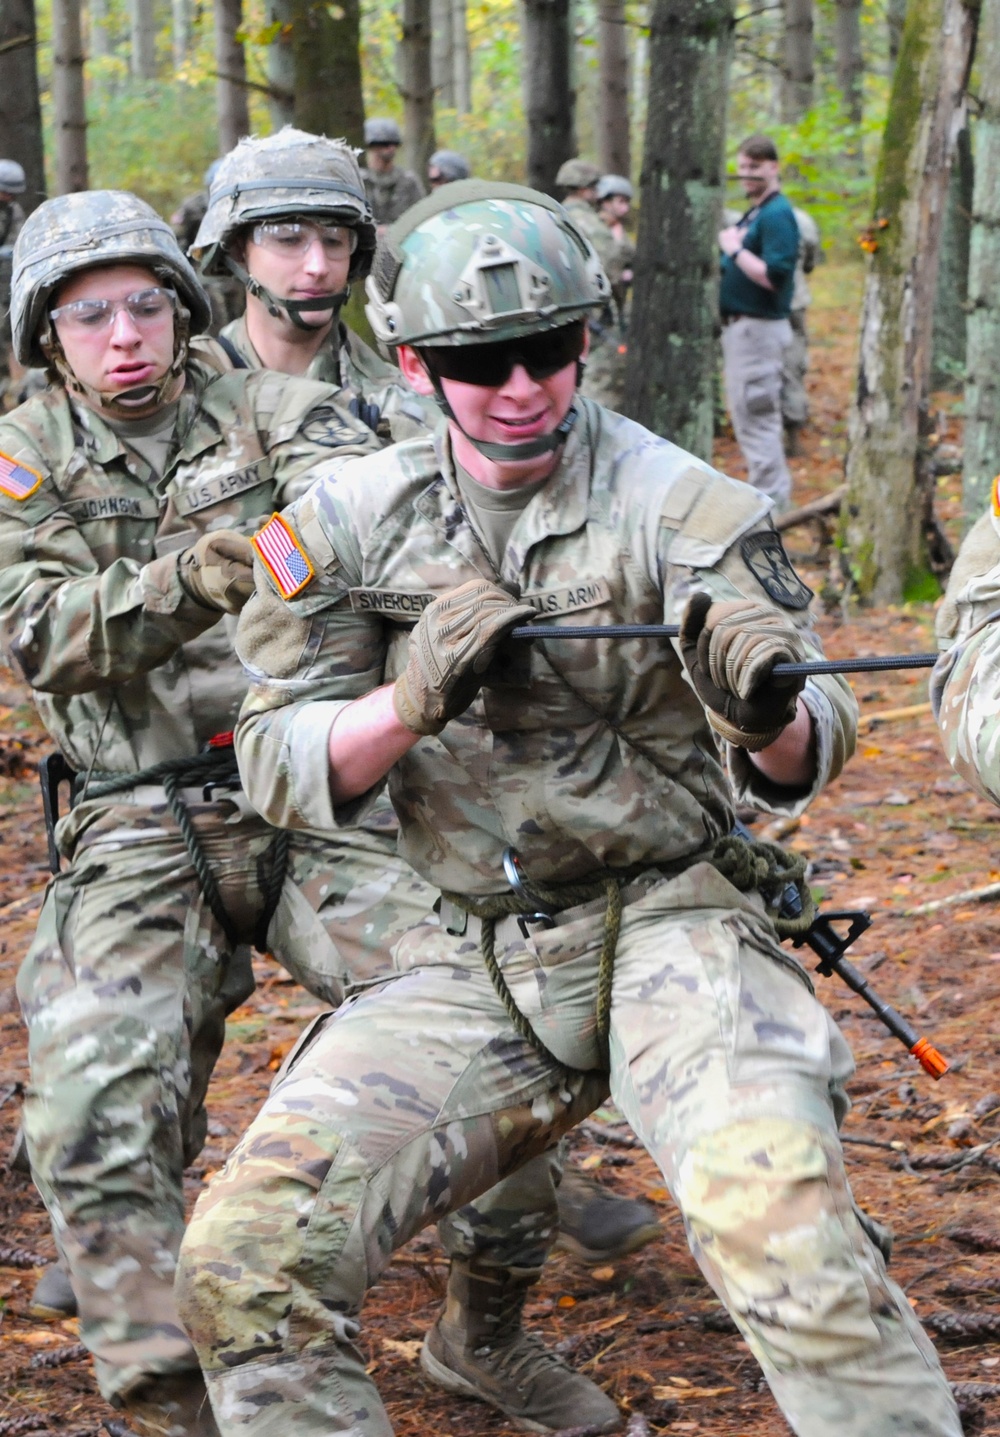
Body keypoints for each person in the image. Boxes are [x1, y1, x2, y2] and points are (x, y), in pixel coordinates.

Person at [175, 179, 961, 1437]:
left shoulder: (686, 506)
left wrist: (764, 713)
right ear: (420, 365)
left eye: (547, 351)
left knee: (791, 1250)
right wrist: (405, 703)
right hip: (468, 952)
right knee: (245, 1265)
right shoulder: (344, 521)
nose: (521, 386)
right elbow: (270, 754)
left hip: (675, 924)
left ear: (587, 343)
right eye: (482, 362)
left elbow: (817, 743)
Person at [187, 127, 663, 1432]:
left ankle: (483, 1323)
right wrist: (171, 583)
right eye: (287, 234)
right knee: (108, 1043)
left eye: (337, 233)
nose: (315, 258)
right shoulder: (142, 388)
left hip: (358, 803)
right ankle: (126, 1275)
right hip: (163, 799)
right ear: (232, 251)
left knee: (488, 976)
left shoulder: (418, 394)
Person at [0, 189, 381, 1437]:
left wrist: (280, 550)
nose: (123, 336)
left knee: (482, 1003)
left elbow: (356, 511)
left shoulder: (269, 406)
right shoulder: (23, 458)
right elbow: (47, 635)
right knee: (93, 1108)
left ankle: (481, 1328)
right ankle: (172, 1407)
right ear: (48, 336)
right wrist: (211, 566)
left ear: (182, 308)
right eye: (89, 314)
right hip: (134, 818)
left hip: (316, 790)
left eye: (145, 306)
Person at [718, 134, 800, 509]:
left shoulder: (777, 214)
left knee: (757, 417)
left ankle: (773, 511)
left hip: (758, 330)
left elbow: (775, 275)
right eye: (743, 167)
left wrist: (734, 249)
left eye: (754, 167)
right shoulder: (758, 212)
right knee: (749, 418)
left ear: (773, 167)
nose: (746, 175)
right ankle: (769, 502)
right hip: (743, 330)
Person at [579, 173, 635, 411]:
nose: (623, 207)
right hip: (596, 315)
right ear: (604, 201)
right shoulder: (594, 229)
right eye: (618, 201)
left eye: (626, 202)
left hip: (616, 314)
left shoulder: (619, 233)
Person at [782, 205, 821, 455]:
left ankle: (792, 434)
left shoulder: (750, 218)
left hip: (778, 304)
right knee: (793, 365)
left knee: (787, 366)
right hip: (794, 301)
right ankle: (792, 429)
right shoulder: (802, 218)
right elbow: (810, 262)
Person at [361, 117, 424, 227]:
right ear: (372, 146)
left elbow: (421, 217)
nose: (391, 148)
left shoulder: (408, 182)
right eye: (385, 144)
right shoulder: (359, 181)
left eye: (394, 144)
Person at [0, 159, 27, 407]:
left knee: (9, 333)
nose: (9, 197)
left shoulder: (13, 211)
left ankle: (12, 391)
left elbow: (20, 238)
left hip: (7, 282)